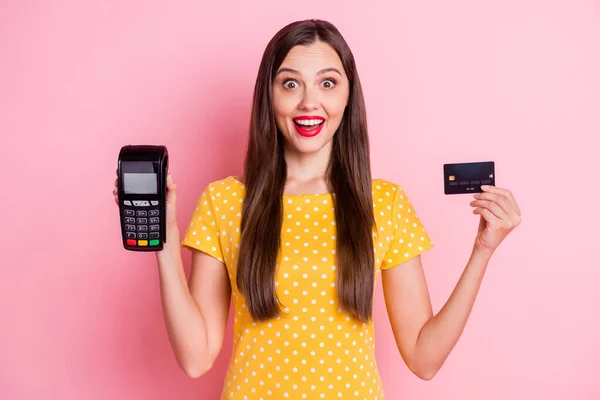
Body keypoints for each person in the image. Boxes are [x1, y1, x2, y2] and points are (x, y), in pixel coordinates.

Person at [113, 19, 522, 400]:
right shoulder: (224, 202)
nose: (310, 103)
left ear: (348, 95)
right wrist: (162, 240)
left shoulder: (385, 203)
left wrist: (482, 251)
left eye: (328, 83)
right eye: (290, 84)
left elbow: (423, 358)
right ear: (269, 96)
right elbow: (195, 357)